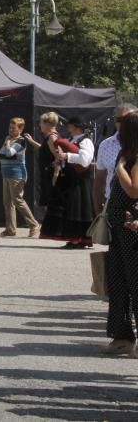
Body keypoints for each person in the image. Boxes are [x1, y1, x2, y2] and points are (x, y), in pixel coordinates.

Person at [102, 112, 138, 355]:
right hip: (118, 230)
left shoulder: (131, 159)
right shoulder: (126, 154)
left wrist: (121, 167)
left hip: (131, 231)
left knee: (135, 285)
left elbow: (134, 191)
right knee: (116, 284)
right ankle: (121, 335)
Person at [39, 114, 95, 249]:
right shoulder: (70, 139)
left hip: (79, 181)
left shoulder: (86, 141)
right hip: (68, 178)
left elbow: (86, 160)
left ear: (76, 127)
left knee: (77, 210)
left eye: (70, 125)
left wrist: (67, 155)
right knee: (69, 209)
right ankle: (72, 238)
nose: (68, 127)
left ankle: (78, 239)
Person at [0, 117, 40, 238]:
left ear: (20, 129)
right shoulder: (7, 139)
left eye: (14, 128)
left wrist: (8, 143)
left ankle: (34, 225)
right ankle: (10, 230)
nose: (11, 130)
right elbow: (3, 156)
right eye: (10, 127)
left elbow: (9, 153)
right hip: (6, 174)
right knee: (7, 203)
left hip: (17, 175)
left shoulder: (21, 141)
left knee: (18, 200)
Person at [93, 104, 137, 219]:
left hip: (134, 208)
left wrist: (120, 169)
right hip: (112, 205)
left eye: (128, 120)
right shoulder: (106, 145)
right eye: (119, 119)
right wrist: (98, 209)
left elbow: (134, 190)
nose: (123, 124)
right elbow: (100, 179)